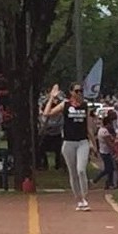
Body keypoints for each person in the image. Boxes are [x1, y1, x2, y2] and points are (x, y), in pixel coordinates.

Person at [43, 82, 98, 211]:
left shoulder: (85, 106)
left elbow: (88, 127)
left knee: (81, 170)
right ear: (71, 92)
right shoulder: (65, 105)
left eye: (81, 91)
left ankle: (84, 197)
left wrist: (94, 144)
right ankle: (78, 199)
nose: (79, 94)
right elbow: (47, 113)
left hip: (82, 141)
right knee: (73, 172)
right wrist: (51, 97)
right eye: (77, 91)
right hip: (68, 142)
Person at [92, 113, 117, 189]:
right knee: (108, 168)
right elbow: (109, 143)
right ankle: (95, 180)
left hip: (104, 151)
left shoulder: (101, 130)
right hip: (106, 152)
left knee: (110, 168)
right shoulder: (104, 132)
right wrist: (114, 150)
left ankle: (110, 183)